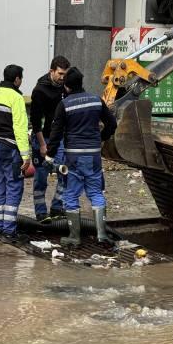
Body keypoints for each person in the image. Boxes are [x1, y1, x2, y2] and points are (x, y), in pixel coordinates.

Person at [46, 68, 117, 247]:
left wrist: (50, 155)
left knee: (71, 194)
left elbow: (56, 132)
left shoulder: (65, 104)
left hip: (73, 157)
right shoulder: (96, 100)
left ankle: (74, 237)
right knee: (96, 192)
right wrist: (101, 138)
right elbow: (112, 123)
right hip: (93, 156)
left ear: (67, 86)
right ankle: (102, 235)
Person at [0, 64, 30, 243]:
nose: (21, 81)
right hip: (10, 149)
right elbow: (20, 127)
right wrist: (26, 155)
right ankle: (9, 231)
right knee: (14, 186)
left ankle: (0, 227)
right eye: (21, 78)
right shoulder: (16, 98)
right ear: (16, 79)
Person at [30, 55, 70, 222]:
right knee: (41, 177)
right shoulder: (40, 90)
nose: (62, 78)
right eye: (60, 74)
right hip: (43, 138)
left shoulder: (64, 88)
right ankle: (40, 212)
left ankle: (57, 207)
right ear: (51, 71)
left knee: (65, 173)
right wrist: (41, 144)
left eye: (65, 74)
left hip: (59, 138)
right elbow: (36, 121)